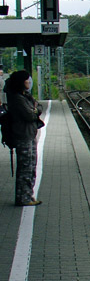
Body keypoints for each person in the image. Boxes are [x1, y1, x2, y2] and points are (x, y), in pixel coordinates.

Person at [5, 70, 42, 206]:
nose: (29, 82)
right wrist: (35, 111)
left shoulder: (25, 96)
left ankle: (28, 194)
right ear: (21, 82)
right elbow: (30, 115)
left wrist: (35, 110)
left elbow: (39, 107)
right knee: (25, 167)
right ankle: (23, 197)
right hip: (23, 136)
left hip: (29, 135)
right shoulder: (17, 98)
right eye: (27, 80)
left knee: (31, 166)